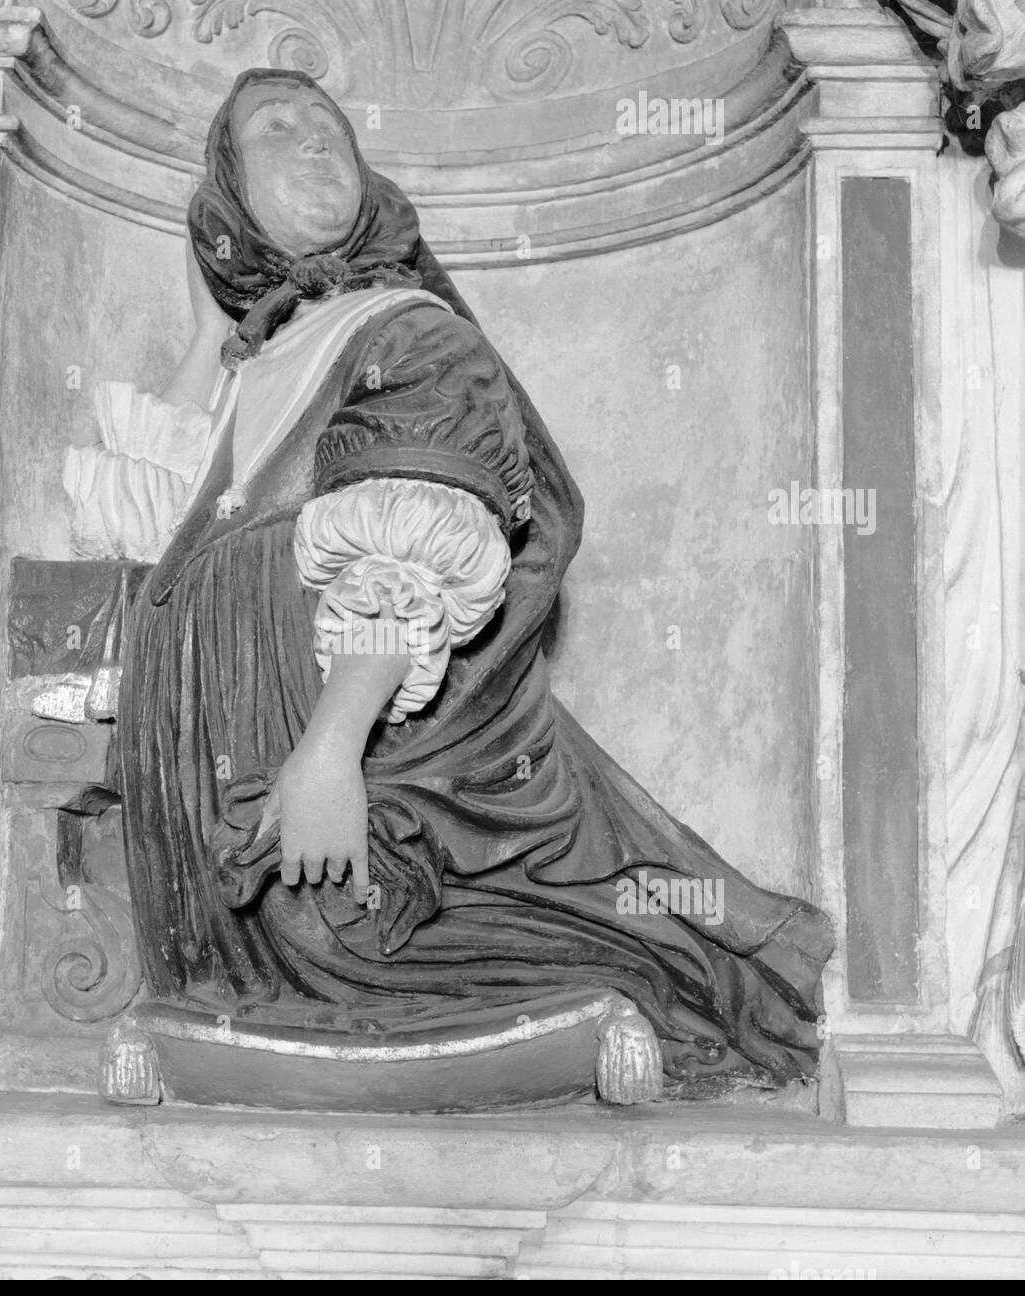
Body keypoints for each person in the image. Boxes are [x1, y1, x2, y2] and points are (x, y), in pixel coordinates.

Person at [72, 67, 833, 1103]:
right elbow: (155, 531)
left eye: (333, 128)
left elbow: (421, 537)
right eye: (276, 129)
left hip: (346, 777)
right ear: (226, 195)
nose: (315, 143)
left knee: (388, 946)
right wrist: (215, 320)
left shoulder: (405, 332)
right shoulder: (273, 358)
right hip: (219, 822)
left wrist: (333, 747)